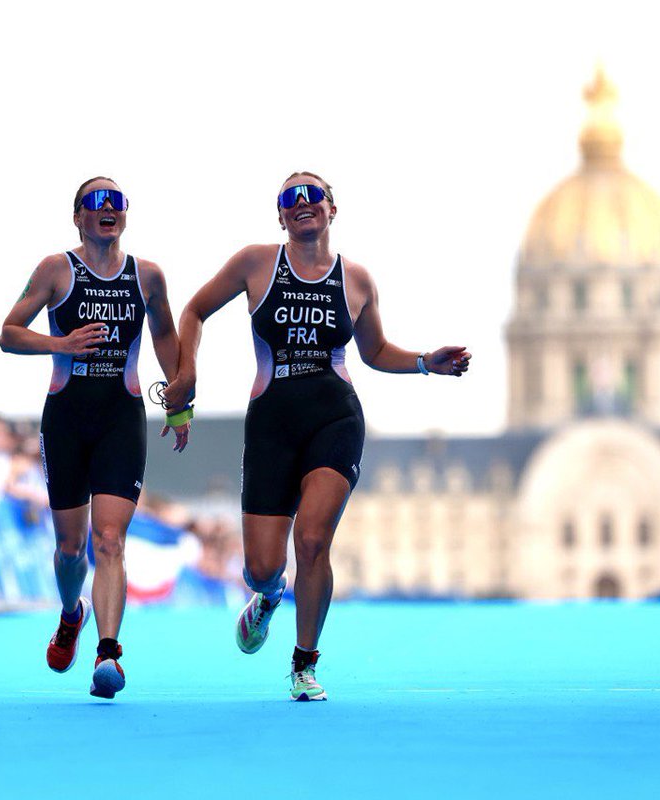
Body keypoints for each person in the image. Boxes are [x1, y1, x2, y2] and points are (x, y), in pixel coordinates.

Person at [167, 172, 471, 701]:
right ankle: (267, 597)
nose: (303, 203)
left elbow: (374, 352)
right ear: (280, 215)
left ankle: (304, 662)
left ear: (333, 210)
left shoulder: (356, 281)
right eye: (291, 198)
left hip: (334, 420)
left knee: (312, 540)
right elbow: (193, 311)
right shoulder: (256, 263)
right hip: (271, 425)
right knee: (262, 567)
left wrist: (426, 363)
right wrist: (186, 371)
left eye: (313, 196)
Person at [0, 177, 189, 699]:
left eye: (116, 202)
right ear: (77, 216)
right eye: (94, 202)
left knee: (110, 540)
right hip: (66, 418)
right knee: (69, 547)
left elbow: (166, 336)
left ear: (125, 215)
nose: (107, 209)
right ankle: (70, 613)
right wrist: (60, 342)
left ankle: (109, 654)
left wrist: (179, 406)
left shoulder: (147, 276)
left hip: (120, 419)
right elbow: (8, 333)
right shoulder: (56, 270)